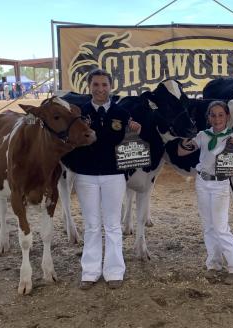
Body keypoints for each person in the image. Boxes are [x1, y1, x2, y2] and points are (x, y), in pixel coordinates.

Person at [62, 68, 141, 290]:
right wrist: (75, 167)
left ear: (110, 86)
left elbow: (129, 146)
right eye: (95, 85)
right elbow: (70, 143)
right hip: (86, 176)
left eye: (104, 85)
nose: (100, 89)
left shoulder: (122, 113)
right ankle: (90, 271)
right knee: (92, 225)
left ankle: (115, 270)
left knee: (113, 225)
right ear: (89, 87)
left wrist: (135, 131)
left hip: (113, 176)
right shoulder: (78, 113)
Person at [177, 100, 233, 285]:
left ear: (227, 117)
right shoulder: (203, 135)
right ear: (208, 117)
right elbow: (181, 152)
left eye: (220, 115)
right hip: (202, 181)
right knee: (208, 225)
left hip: (220, 184)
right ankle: (214, 263)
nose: (217, 118)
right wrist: (186, 136)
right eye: (213, 115)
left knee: (220, 226)